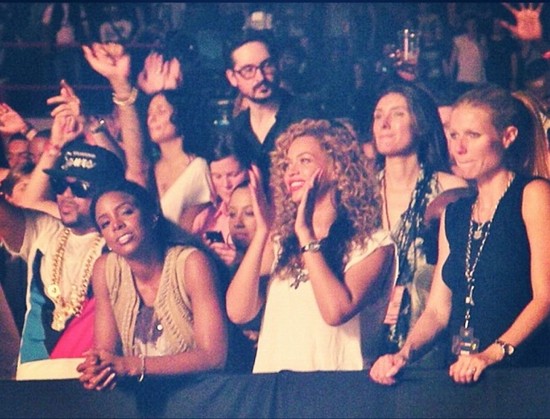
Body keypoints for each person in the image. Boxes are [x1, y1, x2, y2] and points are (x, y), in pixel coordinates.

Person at [369, 84, 550, 386]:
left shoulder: (533, 194)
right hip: (462, 374)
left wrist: (491, 354)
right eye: (453, 135)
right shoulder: (454, 213)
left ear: (507, 137)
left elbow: (545, 297)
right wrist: (403, 354)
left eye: (472, 135)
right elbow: (438, 311)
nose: (459, 148)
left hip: (522, 376)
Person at [226, 119, 397, 373]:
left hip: (334, 387)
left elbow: (335, 312)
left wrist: (306, 234)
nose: (291, 172)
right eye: (287, 165)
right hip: (276, 385)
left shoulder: (373, 244)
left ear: (337, 168)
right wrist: (263, 231)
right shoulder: (280, 242)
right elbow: (238, 312)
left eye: (304, 161)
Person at [77, 180, 227, 390]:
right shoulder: (105, 270)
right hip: (142, 398)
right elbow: (106, 352)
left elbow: (214, 357)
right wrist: (99, 366)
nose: (116, 225)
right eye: (105, 223)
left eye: (126, 212)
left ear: (152, 215)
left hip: (202, 394)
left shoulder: (191, 264)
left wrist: (133, 366)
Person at [0, 137, 125, 380]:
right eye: (59, 185)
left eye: (80, 188)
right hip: (32, 379)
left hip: (93, 380)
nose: (66, 195)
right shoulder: (44, 231)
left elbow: (140, 171)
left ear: (107, 192)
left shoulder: (124, 242)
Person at [371, 83, 469, 367]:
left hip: (429, 343)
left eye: (397, 114)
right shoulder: (360, 193)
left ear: (421, 123)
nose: (384, 124)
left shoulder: (451, 191)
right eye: (378, 116)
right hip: (367, 342)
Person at [83, 42, 213, 232]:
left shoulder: (201, 166)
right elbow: (132, 167)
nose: (152, 118)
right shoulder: (147, 157)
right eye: (146, 73)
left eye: (173, 79)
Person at [224, 31, 321, 186]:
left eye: (267, 65)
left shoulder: (305, 117)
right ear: (232, 78)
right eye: (248, 70)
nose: (260, 77)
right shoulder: (237, 129)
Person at [192, 129, 251, 268]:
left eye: (233, 175)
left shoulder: (268, 213)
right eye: (217, 176)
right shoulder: (205, 220)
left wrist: (241, 260)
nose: (226, 184)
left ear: (249, 170)